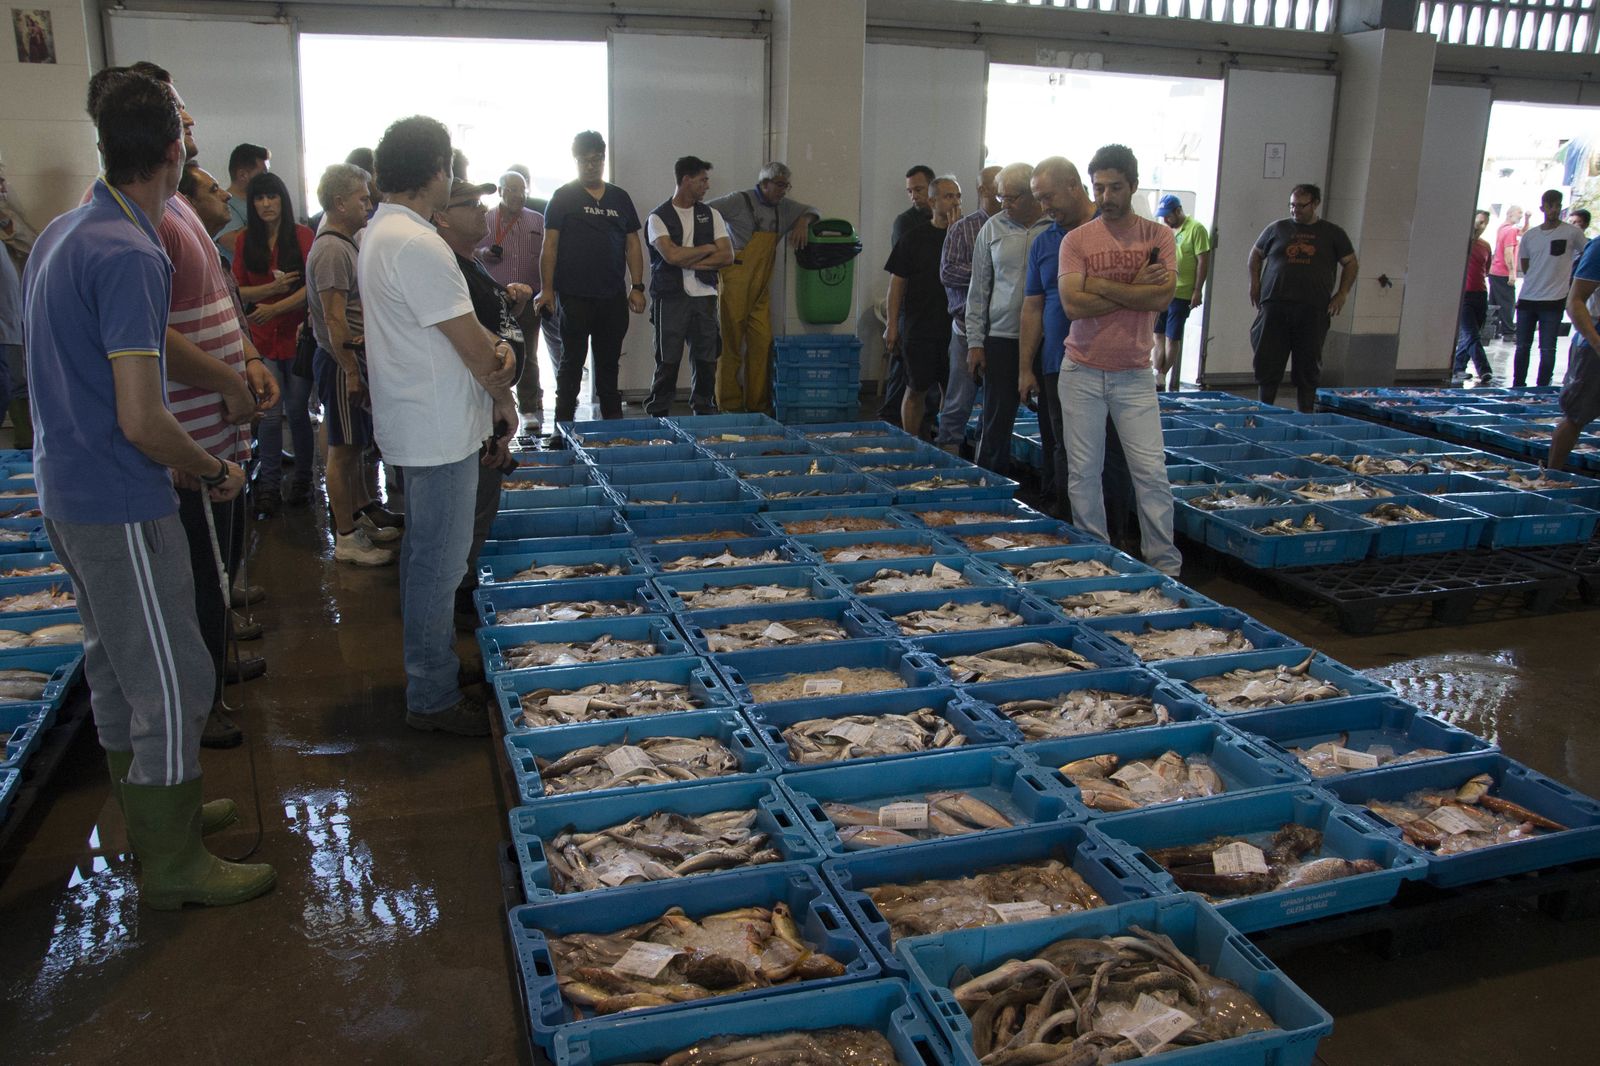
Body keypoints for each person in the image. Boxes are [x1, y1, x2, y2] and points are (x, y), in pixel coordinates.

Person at [24, 68, 274, 909]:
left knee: (115, 663)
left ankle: (156, 812)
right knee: (174, 674)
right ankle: (173, 865)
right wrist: (210, 466)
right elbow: (140, 417)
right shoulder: (132, 252)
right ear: (174, 152)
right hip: (119, 497)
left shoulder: (65, 231)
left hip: (65, 487)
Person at [107, 61, 279, 748]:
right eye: (176, 107)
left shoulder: (177, 205)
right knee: (195, 578)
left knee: (219, 564)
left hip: (221, 422)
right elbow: (154, 336)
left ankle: (214, 666)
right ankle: (201, 704)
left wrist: (250, 357)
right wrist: (228, 382)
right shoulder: (135, 224)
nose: (190, 119)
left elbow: (218, 300)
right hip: (191, 429)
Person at [358, 115, 517, 736]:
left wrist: (491, 366)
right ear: (437, 171)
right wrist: (503, 379)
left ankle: (435, 667)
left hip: (421, 421)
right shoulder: (418, 244)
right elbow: (475, 348)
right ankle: (432, 694)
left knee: (426, 556)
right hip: (439, 429)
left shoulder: (385, 230)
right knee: (439, 567)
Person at [1057, 145, 1181, 575]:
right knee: (1083, 473)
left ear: (1133, 186)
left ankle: (1165, 565)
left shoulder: (1158, 237)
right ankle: (1095, 560)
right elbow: (1073, 305)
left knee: (1151, 472)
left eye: (1115, 188)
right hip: (1081, 371)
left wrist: (1098, 284)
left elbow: (1161, 298)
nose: (1106, 196)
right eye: (1099, 188)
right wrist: (1133, 287)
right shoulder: (1076, 240)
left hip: (1134, 374)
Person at [432, 177, 529, 626]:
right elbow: (469, 348)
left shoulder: (471, 265)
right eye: (468, 204)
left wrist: (512, 306)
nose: (481, 210)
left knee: (480, 508)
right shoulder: (447, 268)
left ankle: (462, 588)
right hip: (476, 411)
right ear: (442, 216)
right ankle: (456, 601)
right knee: (467, 515)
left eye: (480, 202)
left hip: (487, 412)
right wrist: (499, 403)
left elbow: (493, 325)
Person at [1019, 157, 1134, 532]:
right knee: (1065, 449)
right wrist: (1025, 368)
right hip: (1058, 364)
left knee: (1112, 453)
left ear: (1073, 185)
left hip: (1115, 364)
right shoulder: (1044, 242)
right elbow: (1033, 307)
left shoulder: (1114, 233)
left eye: (1048, 196)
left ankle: (1116, 537)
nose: (1044, 207)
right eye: (1039, 199)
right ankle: (1072, 531)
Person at [305, 162, 402, 566]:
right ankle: (345, 537)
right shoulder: (331, 249)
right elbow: (333, 318)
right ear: (340, 202)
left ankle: (359, 516)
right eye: (362, 199)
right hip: (338, 361)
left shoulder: (344, 243)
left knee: (354, 445)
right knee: (342, 451)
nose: (368, 205)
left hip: (350, 359)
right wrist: (349, 370)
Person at [532, 131, 644, 424]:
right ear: (576, 161)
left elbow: (633, 243)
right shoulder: (563, 197)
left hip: (612, 296)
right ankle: (562, 426)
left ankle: (613, 428)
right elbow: (550, 245)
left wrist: (637, 286)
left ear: (603, 160)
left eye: (597, 160)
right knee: (571, 362)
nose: (591, 166)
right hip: (574, 296)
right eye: (585, 160)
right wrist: (546, 290)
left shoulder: (619, 197)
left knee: (609, 364)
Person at [233, 171, 314, 513]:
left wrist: (274, 307)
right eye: (259, 198)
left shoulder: (302, 235)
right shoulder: (244, 240)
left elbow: (312, 288)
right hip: (263, 340)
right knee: (267, 414)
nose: (266, 204)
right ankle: (268, 484)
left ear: (283, 199)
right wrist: (272, 290)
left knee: (297, 410)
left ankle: (303, 479)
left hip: (298, 338)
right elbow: (237, 290)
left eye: (272, 196)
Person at [707, 163, 817, 413]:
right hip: (734, 282)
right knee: (729, 345)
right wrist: (714, 248)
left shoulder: (784, 207)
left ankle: (758, 406)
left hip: (760, 289)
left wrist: (803, 221)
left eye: (786, 186)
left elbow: (813, 209)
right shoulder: (738, 201)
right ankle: (728, 405)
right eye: (779, 185)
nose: (784, 191)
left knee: (762, 343)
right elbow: (703, 213)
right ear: (764, 183)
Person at [967, 162, 1051, 475]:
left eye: (1011, 198)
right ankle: (989, 483)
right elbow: (978, 290)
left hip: (1047, 339)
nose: (1004, 205)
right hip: (1002, 338)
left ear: (1032, 195)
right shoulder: (992, 228)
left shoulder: (1054, 227)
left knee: (1051, 421)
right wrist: (975, 342)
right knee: (996, 420)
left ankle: (1052, 491)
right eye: (1000, 197)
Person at [1247, 183, 1358, 412]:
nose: (1295, 210)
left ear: (1315, 204)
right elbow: (1256, 254)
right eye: (1292, 205)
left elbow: (1351, 263)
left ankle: (1305, 414)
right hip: (1275, 306)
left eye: (1301, 206)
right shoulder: (1276, 229)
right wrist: (1255, 283)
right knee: (1268, 362)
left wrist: (1342, 293)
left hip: (1313, 309)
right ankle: (1264, 410)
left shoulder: (1332, 233)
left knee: (1308, 365)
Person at [645, 156, 732, 417]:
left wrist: (691, 261)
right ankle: (659, 413)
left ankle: (704, 410)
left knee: (707, 358)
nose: (707, 186)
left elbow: (727, 256)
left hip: (705, 296)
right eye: (702, 180)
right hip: (670, 297)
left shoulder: (712, 215)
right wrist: (707, 248)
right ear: (686, 180)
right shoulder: (657, 217)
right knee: (668, 360)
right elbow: (671, 256)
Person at [884, 175, 958, 436]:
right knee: (916, 389)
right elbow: (897, 284)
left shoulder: (966, 237)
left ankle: (946, 440)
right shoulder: (914, 238)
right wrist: (892, 325)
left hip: (955, 328)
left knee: (951, 390)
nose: (955, 202)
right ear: (933, 201)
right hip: (920, 327)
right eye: (948, 196)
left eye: (958, 196)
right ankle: (911, 441)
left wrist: (955, 234)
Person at [480, 170, 554, 429]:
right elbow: (468, 252)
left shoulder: (538, 220)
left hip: (529, 297)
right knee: (490, 353)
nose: (518, 195)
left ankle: (529, 408)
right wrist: (484, 252)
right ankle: (491, 408)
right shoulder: (485, 219)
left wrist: (547, 291)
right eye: (512, 190)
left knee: (528, 354)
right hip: (493, 299)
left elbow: (549, 255)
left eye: (522, 190)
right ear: (501, 191)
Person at [936, 165, 1001, 454]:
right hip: (965, 331)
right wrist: (986, 275)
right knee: (958, 402)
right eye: (999, 188)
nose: (1004, 196)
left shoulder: (1014, 229)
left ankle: (983, 464)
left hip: (1002, 331)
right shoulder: (963, 228)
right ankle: (946, 465)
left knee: (995, 406)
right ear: (983, 190)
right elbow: (948, 272)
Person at [879, 164, 939, 428]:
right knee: (905, 374)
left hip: (939, 312)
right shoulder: (905, 223)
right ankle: (891, 425)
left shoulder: (953, 224)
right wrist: (893, 323)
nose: (914, 196)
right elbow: (899, 275)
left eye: (919, 189)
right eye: (910, 191)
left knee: (933, 378)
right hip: (912, 311)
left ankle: (928, 426)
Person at [1511, 189, 1586, 388]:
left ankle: (1542, 387)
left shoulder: (1572, 233)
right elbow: (1526, 265)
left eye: (1557, 206)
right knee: (1522, 346)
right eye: (1550, 206)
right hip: (1528, 297)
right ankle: (1518, 385)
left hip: (1554, 299)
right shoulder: (1530, 236)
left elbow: (1587, 253)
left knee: (1547, 348)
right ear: (1542, 208)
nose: (1553, 210)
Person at [1548, 238, 1600, 471]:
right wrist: (1596, 343)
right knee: (1576, 415)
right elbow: (1575, 301)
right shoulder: (1598, 248)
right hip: (1594, 345)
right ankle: (1551, 475)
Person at [1152, 195, 1210, 393]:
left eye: (1168, 216)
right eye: (1163, 216)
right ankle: (1156, 373)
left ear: (1178, 211)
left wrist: (1197, 290)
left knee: (1172, 336)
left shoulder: (1196, 229)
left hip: (1182, 292)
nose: (1165, 220)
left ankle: (1163, 374)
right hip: (1163, 290)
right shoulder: (1166, 231)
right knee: (1157, 334)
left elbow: (1203, 261)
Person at [1453, 209, 1494, 384]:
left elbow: (1486, 269)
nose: (1481, 226)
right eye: (1479, 221)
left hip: (1480, 293)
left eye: (1484, 223)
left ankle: (1458, 367)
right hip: (1464, 295)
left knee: (1471, 334)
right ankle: (1484, 368)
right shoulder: (1461, 243)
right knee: (1471, 334)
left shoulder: (1485, 246)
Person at [215, 142, 268, 264]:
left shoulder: (261, 202)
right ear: (242, 175)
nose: (267, 180)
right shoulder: (223, 205)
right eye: (263, 174)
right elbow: (234, 243)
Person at [1489, 205, 1523, 341]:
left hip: (1495, 271)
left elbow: (1524, 232)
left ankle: (1492, 330)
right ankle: (1508, 332)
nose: (1521, 215)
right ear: (1510, 214)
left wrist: (1527, 218)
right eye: (1519, 213)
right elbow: (1508, 252)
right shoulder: (1510, 230)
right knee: (1507, 303)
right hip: (1503, 272)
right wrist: (1512, 272)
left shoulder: (1503, 228)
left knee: (1494, 302)